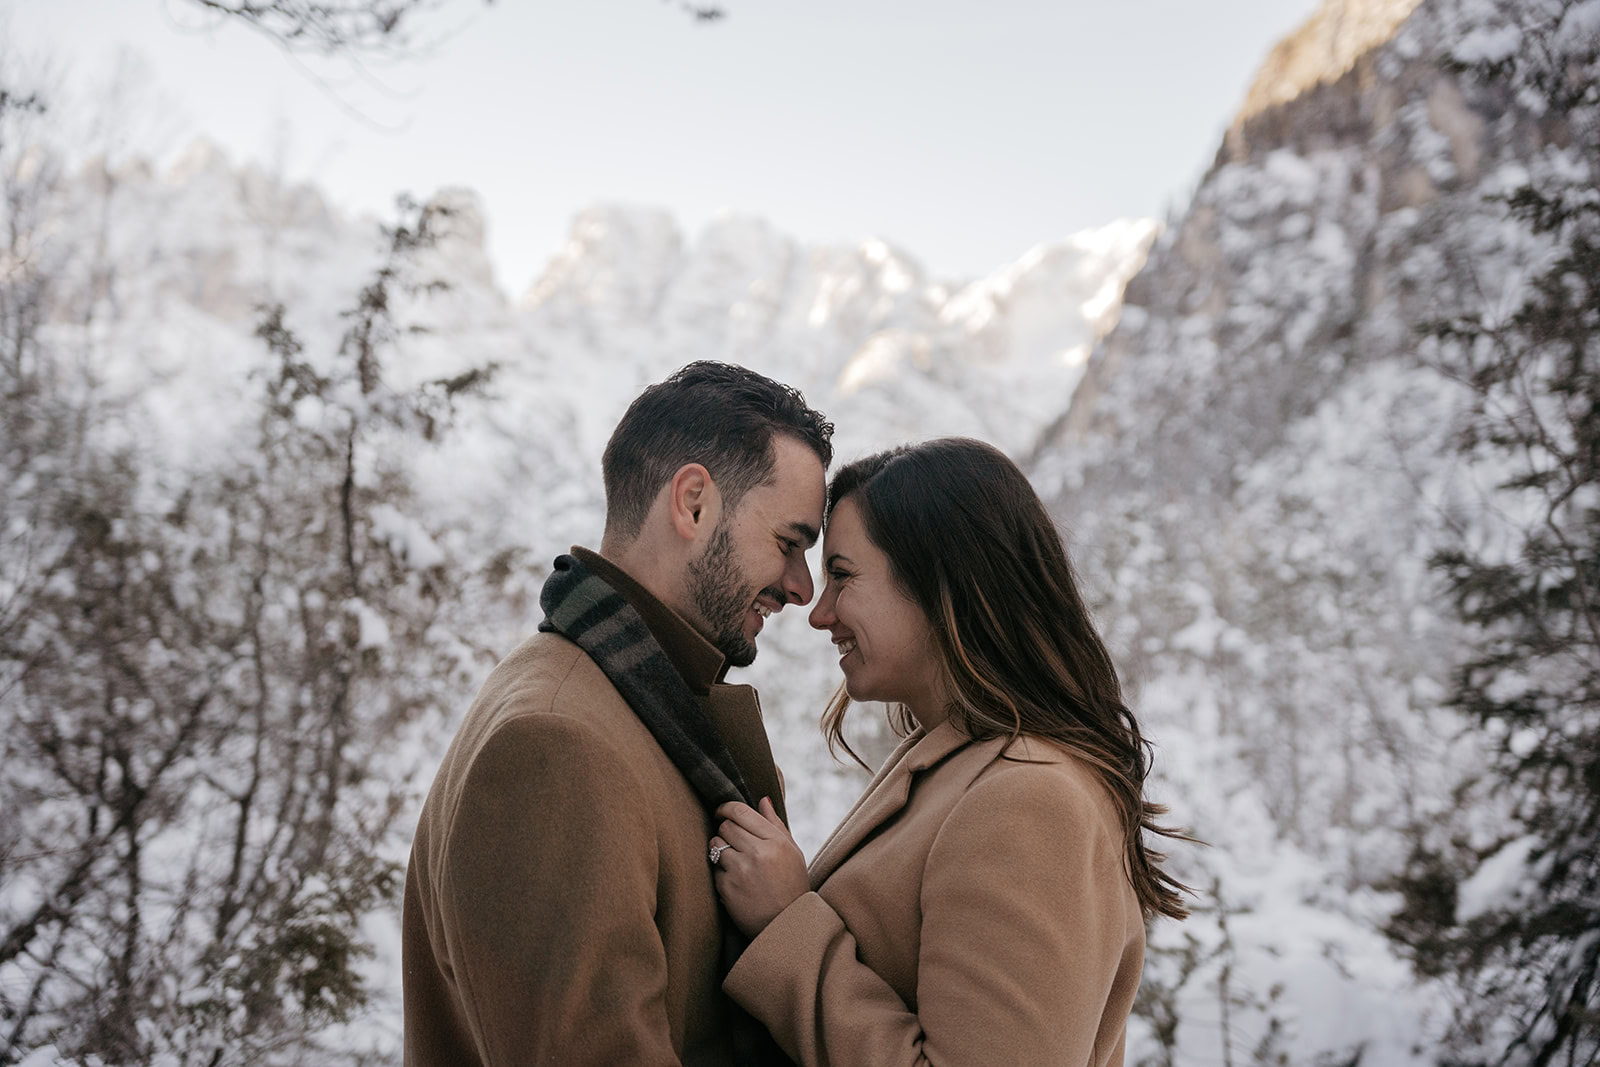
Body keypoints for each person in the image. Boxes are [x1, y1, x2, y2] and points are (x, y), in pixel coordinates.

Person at [706, 437, 1191, 1067]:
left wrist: (786, 923)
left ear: (942, 586)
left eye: (844, 577)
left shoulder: (1029, 800)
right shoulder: (956, 761)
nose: (819, 613)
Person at [402, 361, 832, 1065]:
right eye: (789, 544)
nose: (800, 587)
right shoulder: (557, 743)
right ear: (693, 502)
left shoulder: (633, 703)